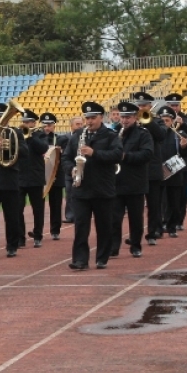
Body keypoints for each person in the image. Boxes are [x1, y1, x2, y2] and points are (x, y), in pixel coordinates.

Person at [62, 102, 123, 270]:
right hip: (81, 189)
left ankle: (102, 258)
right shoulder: (77, 136)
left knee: (104, 226)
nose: (89, 121)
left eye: (93, 118)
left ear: (101, 117)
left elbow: (117, 155)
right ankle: (80, 260)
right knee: (81, 226)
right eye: (87, 118)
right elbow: (66, 158)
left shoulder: (111, 136)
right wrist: (72, 170)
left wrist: (94, 153)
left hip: (102, 188)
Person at [0, 103, 27, 258]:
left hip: (10, 179)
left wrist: (10, 145)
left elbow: (25, 152)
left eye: (0, 117)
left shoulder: (15, 133)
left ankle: (12, 246)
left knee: (12, 216)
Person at [111, 101, 153, 258]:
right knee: (114, 218)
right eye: (122, 117)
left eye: (128, 117)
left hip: (135, 182)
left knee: (136, 218)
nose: (124, 120)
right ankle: (114, 247)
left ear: (135, 117)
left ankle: (136, 245)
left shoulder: (143, 134)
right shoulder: (115, 133)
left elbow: (147, 154)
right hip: (117, 181)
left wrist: (125, 156)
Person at [133, 92, 166, 246]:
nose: (141, 108)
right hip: (137, 169)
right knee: (136, 206)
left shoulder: (157, 121)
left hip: (152, 168)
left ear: (150, 106)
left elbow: (161, 136)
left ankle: (152, 232)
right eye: (139, 106)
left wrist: (148, 120)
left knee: (153, 204)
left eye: (144, 106)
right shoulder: (133, 122)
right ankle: (136, 235)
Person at [157, 106, 187, 237]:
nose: (165, 123)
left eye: (167, 120)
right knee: (159, 202)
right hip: (159, 171)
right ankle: (159, 227)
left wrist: (184, 147)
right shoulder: (156, 136)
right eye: (163, 120)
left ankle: (172, 227)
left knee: (174, 201)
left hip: (174, 171)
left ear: (172, 121)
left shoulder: (179, 135)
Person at [18, 109, 49, 248]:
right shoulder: (17, 135)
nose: (26, 124)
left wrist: (30, 137)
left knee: (38, 209)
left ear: (34, 122)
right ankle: (20, 238)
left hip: (35, 176)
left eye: (29, 122)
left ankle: (38, 235)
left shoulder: (40, 134)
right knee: (17, 209)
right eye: (24, 122)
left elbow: (43, 148)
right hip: (19, 176)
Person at [41, 112, 65, 240]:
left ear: (54, 126)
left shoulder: (61, 139)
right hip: (40, 175)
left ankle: (55, 230)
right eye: (44, 125)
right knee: (39, 205)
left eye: (49, 125)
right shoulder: (37, 138)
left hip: (56, 175)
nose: (47, 127)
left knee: (56, 205)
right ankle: (38, 230)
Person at [63, 116, 84, 223]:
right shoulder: (66, 137)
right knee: (69, 193)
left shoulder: (85, 136)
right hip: (70, 171)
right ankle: (70, 216)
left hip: (83, 170)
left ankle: (80, 215)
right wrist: (71, 168)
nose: (80, 126)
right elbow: (65, 156)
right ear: (71, 126)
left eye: (81, 124)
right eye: (77, 124)